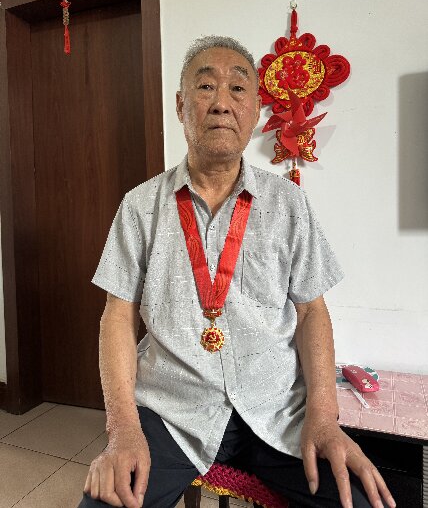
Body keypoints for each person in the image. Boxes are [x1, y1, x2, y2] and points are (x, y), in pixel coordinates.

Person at [79, 36, 395, 508]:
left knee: (363, 501)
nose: (222, 103)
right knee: (105, 504)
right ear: (181, 105)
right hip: (173, 411)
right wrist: (122, 429)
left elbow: (312, 312)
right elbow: (117, 316)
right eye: (206, 86)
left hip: (276, 407)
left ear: (256, 111)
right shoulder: (139, 207)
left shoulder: (289, 204)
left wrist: (324, 416)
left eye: (238, 89)